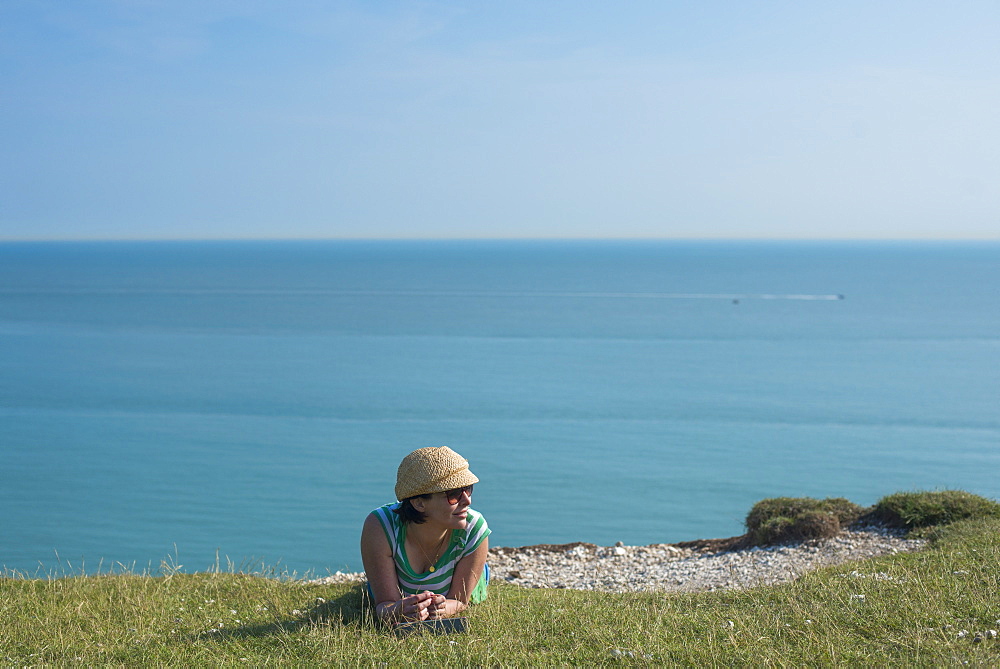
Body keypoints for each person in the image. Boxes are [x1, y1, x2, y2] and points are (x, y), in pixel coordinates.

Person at [360, 446, 490, 623]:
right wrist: (397, 610)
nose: (467, 500)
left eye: (468, 489)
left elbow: (459, 601)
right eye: (453, 494)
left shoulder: (474, 528)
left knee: (480, 576)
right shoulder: (381, 526)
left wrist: (444, 608)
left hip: (467, 564)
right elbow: (384, 606)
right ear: (419, 503)